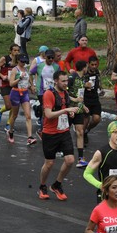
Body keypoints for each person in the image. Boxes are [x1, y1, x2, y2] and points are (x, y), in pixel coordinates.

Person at [38, 70, 80, 201]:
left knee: (70, 160)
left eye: (67, 81)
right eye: (63, 81)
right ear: (56, 81)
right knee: (49, 163)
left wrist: (69, 113)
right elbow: (49, 115)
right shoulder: (49, 94)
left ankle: (57, 184)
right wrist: (66, 110)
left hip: (64, 131)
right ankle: (42, 186)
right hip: (50, 133)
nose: (66, 83)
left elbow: (64, 110)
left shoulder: (65, 93)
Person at [84, 121, 117, 203]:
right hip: (106, 195)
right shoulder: (101, 153)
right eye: (115, 132)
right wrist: (100, 185)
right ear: (109, 134)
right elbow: (87, 174)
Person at [7, 53, 36, 145]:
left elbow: (29, 79)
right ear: (18, 61)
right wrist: (19, 78)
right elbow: (11, 84)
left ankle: (30, 137)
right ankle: (11, 131)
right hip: (15, 93)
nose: (23, 63)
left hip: (24, 93)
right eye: (22, 61)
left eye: (25, 61)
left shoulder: (26, 69)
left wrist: (32, 86)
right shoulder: (14, 70)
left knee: (28, 115)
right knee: (14, 115)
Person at [67, 60, 90, 167]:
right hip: (69, 108)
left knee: (80, 132)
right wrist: (74, 101)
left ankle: (80, 158)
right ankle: (63, 150)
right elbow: (64, 92)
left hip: (79, 109)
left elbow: (80, 95)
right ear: (84, 67)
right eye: (87, 66)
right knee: (64, 131)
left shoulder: (83, 79)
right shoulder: (72, 77)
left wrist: (83, 105)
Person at [0, 43, 20, 128]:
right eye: (14, 50)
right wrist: (2, 76)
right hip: (4, 83)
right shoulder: (5, 58)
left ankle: (9, 123)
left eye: (18, 50)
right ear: (10, 51)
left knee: (13, 104)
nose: (16, 52)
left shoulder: (19, 59)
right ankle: (0, 111)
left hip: (14, 83)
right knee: (8, 105)